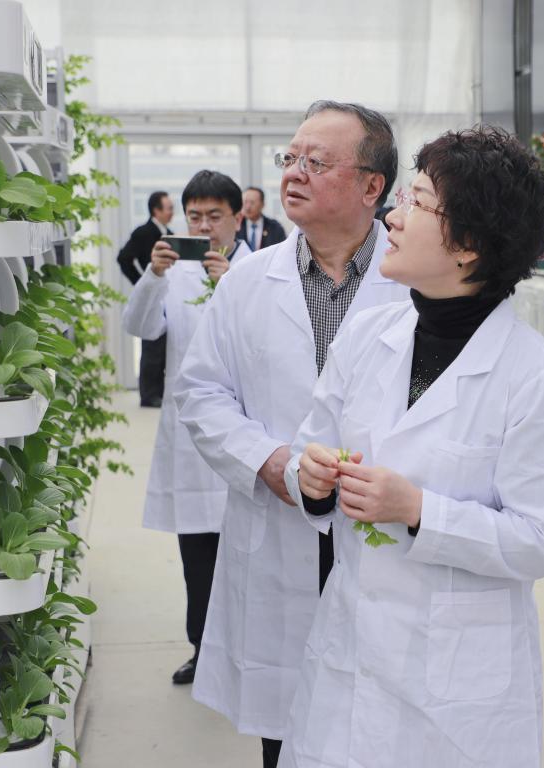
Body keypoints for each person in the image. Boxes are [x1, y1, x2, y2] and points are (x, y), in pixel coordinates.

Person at [279, 126, 544, 768]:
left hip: (457, 683)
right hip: (352, 651)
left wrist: (419, 510)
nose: (393, 216)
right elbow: (313, 445)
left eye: (417, 203)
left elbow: (540, 541)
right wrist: (313, 479)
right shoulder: (369, 335)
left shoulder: (536, 378)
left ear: (469, 245)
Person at [175, 101, 408, 768]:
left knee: (381, 724)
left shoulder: (415, 278)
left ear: (372, 186)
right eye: (291, 158)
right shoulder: (248, 280)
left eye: (317, 161)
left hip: (382, 526)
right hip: (280, 525)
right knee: (286, 728)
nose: (294, 173)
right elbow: (201, 391)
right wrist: (271, 462)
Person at [122, 171, 250, 686]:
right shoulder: (172, 275)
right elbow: (140, 327)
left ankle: (246, 654)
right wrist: (153, 276)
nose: (203, 227)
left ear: (238, 218)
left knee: (249, 554)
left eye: (214, 216)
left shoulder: (257, 271)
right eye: (194, 217)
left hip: (246, 432)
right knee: (197, 555)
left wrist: (227, 285)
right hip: (191, 440)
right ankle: (202, 649)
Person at [118, 190, 174, 406]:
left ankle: (159, 392)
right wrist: (143, 282)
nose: (172, 212)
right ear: (156, 210)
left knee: (162, 346)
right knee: (151, 346)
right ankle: (148, 394)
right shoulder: (143, 232)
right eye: (168, 208)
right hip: (151, 294)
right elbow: (124, 258)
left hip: (165, 295)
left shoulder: (169, 233)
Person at [237, 186, 287, 251]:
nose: (248, 207)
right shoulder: (236, 226)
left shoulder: (275, 227)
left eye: (252, 202)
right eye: (245, 202)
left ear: (262, 204)